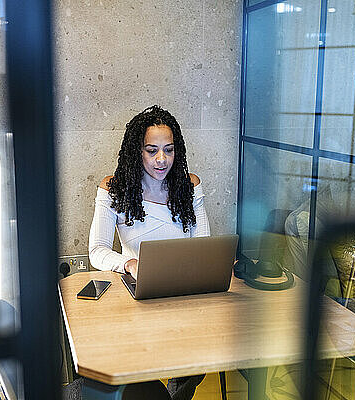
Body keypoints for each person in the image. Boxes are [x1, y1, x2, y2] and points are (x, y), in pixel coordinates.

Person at [88, 105, 210, 400]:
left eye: (168, 150)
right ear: (136, 152)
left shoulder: (189, 185)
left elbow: (203, 245)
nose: (161, 160)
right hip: (141, 299)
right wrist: (129, 263)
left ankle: (176, 391)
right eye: (151, 150)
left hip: (186, 295)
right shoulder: (114, 190)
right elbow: (96, 251)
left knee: (201, 356)